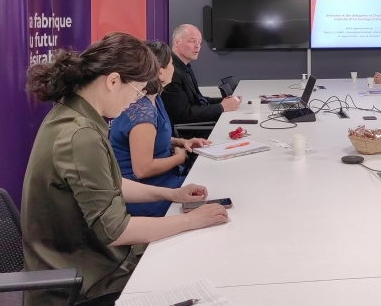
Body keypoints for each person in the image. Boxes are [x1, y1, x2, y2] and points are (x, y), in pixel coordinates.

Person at [22, 33, 228, 306]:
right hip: (86, 281)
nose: (136, 100)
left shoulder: (73, 115)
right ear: (113, 81)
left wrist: (171, 195)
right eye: (138, 90)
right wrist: (192, 221)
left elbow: (112, 183)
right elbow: (116, 230)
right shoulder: (80, 135)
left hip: (89, 263)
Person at [110, 41, 211, 217]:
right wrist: (179, 158)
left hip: (163, 182)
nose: (174, 68)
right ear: (160, 72)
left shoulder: (154, 99)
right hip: (147, 193)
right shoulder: (142, 112)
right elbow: (143, 169)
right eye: (171, 64)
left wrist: (181, 142)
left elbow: (152, 139)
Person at [161, 24, 241, 130]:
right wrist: (221, 107)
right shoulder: (171, 72)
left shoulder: (185, 67)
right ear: (176, 42)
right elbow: (184, 115)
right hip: (189, 131)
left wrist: (224, 101)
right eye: (192, 41)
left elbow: (198, 100)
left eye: (199, 42)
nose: (197, 46)